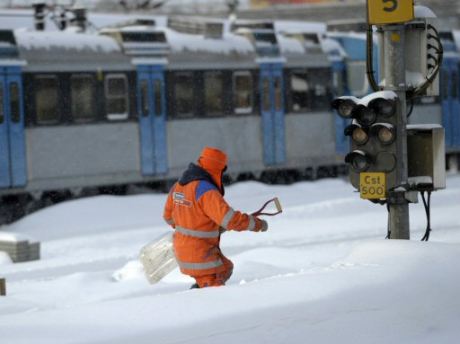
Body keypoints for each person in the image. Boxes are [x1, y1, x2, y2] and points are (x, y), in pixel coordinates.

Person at [163, 147, 268, 288]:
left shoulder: (179, 186)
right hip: (200, 253)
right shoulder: (206, 190)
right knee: (213, 292)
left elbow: (168, 217)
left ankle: (198, 291)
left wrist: (200, 226)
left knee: (225, 267)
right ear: (218, 168)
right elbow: (231, 220)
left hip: (182, 249)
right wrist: (257, 224)